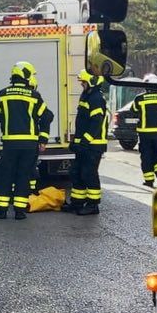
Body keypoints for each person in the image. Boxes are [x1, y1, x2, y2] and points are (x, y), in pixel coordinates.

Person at [0, 61, 51, 220]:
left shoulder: (3, 94)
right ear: (26, 75)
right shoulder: (34, 96)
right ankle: (19, 211)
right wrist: (43, 138)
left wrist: (9, 118)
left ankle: (1, 211)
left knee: (5, 175)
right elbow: (47, 116)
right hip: (30, 144)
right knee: (23, 176)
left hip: (10, 143)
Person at [64, 70, 107, 215]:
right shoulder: (87, 96)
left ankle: (93, 205)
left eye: (84, 82)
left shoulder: (96, 98)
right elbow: (82, 122)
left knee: (89, 174)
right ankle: (77, 203)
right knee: (77, 173)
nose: (82, 84)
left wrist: (84, 142)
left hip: (93, 145)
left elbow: (96, 123)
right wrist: (76, 142)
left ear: (92, 81)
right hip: (84, 144)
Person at [130, 74, 157, 187]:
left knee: (146, 156)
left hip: (145, 133)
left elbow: (133, 110)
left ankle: (149, 180)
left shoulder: (139, 98)